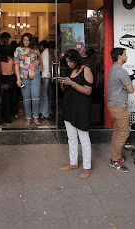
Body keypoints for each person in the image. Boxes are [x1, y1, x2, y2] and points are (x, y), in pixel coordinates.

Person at [58, 49, 94, 178]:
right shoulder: (70, 71)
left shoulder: (86, 70)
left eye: (70, 62)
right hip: (69, 108)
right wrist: (63, 83)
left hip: (81, 108)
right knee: (71, 137)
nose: (68, 64)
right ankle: (73, 162)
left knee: (83, 137)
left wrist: (71, 83)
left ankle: (87, 167)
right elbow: (66, 89)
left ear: (76, 60)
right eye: (67, 62)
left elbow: (88, 90)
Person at [107, 47, 134, 173]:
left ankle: (115, 156)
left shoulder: (113, 69)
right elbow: (131, 89)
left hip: (113, 104)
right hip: (119, 106)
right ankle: (115, 159)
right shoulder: (121, 72)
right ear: (119, 56)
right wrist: (126, 86)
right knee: (123, 133)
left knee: (117, 132)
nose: (126, 57)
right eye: (125, 54)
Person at [14, 33, 41, 126]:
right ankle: (28, 118)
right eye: (24, 40)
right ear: (22, 40)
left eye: (28, 40)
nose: (26, 42)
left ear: (31, 41)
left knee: (36, 97)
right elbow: (16, 65)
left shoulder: (35, 49)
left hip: (35, 75)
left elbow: (39, 58)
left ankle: (36, 117)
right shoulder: (18, 50)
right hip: (24, 76)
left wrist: (38, 61)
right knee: (26, 98)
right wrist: (18, 79)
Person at [0, 45, 16, 123]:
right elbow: (14, 69)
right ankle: (14, 113)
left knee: (5, 99)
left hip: (4, 78)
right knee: (13, 97)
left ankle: (7, 117)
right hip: (11, 77)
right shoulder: (11, 59)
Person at [39, 40, 52, 119]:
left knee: (44, 95)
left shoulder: (45, 53)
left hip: (45, 76)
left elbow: (45, 65)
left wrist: (43, 76)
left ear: (42, 46)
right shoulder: (46, 52)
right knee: (45, 94)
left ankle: (44, 113)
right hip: (46, 75)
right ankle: (44, 111)